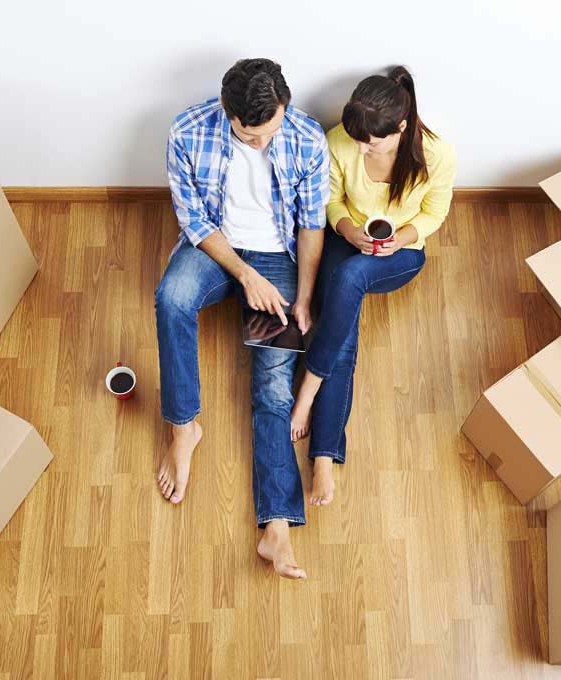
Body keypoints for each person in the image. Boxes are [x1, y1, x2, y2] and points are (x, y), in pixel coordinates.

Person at [155, 58, 329, 579]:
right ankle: (184, 429)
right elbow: (194, 221)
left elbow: (312, 224)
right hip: (216, 249)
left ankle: (275, 528)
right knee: (172, 298)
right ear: (227, 112)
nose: (261, 144)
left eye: (269, 132)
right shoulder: (187, 131)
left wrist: (302, 295)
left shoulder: (305, 137)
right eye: (249, 136)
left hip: (278, 259)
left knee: (273, 385)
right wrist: (242, 275)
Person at [289, 66, 456, 506]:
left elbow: (434, 215)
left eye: (374, 141)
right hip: (350, 239)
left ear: (401, 128)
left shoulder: (436, 156)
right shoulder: (338, 142)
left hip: (400, 252)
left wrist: (398, 239)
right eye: (358, 139)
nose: (363, 147)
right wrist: (347, 231)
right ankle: (324, 454)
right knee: (343, 312)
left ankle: (309, 386)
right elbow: (329, 200)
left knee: (348, 280)